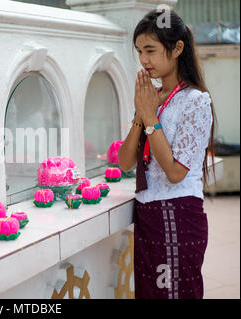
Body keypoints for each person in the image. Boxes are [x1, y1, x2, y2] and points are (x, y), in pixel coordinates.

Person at [118, 9, 216, 299]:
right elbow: (124, 163)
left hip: (178, 214)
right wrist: (142, 114)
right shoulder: (152, 99)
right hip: (148, 214)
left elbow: (175, 172)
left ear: (177, 48)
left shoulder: (195, 101)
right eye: (139, 51)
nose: (143, 60)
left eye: (150, 50)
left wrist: (150, 118)